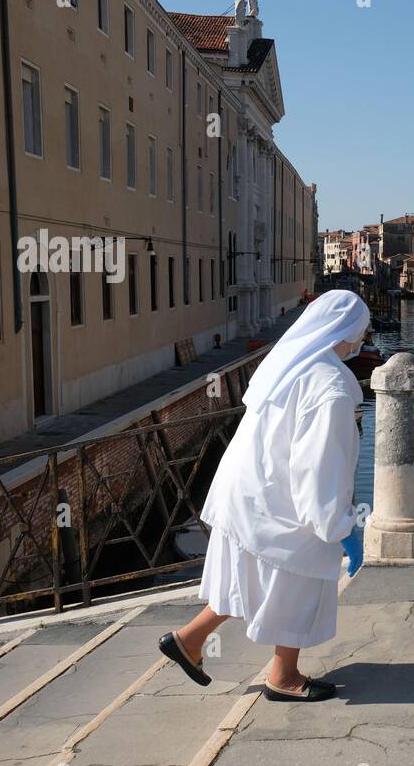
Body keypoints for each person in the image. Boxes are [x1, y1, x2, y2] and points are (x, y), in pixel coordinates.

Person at [158, 290, 369, 702]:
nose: (359, 342)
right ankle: (284, 677)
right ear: (346, 332)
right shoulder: (332, 385)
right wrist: (338, 525)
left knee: (246, 578)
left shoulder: (288, 364)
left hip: (247, 493)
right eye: (359, 333)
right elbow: (319, 465)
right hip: (279, 502)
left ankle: (188, 641)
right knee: (301, 580)